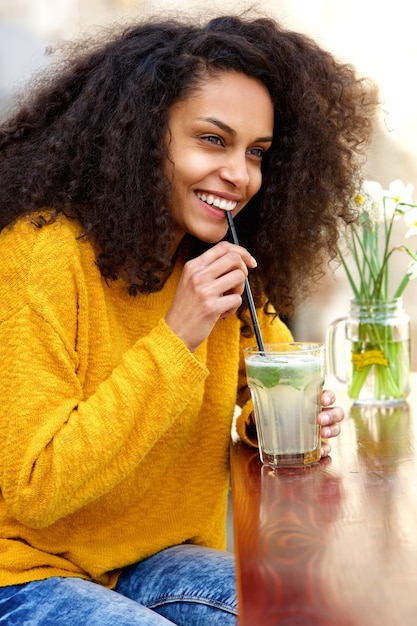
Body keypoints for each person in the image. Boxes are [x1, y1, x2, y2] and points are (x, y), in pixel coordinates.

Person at [0, 12, 377, 625]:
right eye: (212, 140)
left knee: (305, 607)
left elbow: (268, 380)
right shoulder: (39, 254)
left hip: (153, 555)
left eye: (257, 153)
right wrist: (177, 334)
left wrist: (282, 413)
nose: (239, 175)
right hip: (27, 569)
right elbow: (38, 486)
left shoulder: (214, 262)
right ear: (142, 136)